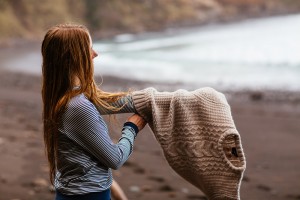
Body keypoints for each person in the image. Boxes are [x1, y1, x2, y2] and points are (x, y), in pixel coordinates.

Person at [41, 24, 146, 200]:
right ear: (75, 57)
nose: (95, 54)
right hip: (89, 195)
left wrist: (148, 100)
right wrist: (131, 128)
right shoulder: (78, 107)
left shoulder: (61, 95)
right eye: (89, 48)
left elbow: (106, 102)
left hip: (73, 193)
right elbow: (115, 159)